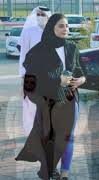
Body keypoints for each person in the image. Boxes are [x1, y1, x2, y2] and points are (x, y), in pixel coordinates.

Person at [15, 14, 86, 180]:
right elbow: (32, 78)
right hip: (48, 101)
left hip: (69, 99)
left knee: (69, 136)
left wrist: (81, 80)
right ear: (51, 28)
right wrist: (57, 80)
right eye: (61, 26)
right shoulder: (38, 51)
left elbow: (82, 71)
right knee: (49, 138)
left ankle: (65, 173)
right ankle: (49, 168)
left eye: (67, 26)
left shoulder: (72, 48)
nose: (65, 29)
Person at [18, 6, 51, 135]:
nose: (40, 17)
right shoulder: (28, 32)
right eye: (38, 14)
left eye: (42, 14)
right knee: (30, 106)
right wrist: (22, 77)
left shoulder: (53, 32)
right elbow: (23, 56)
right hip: (31, 76)